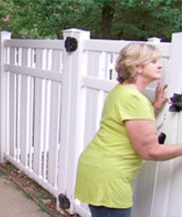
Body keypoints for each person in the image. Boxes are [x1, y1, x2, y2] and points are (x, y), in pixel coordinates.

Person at [74, 42, 182, 217]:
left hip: (97, 169)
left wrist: (153, 107)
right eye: (154, 61)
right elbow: (151, 151)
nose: (160, 65)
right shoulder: (134, 99)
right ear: (137, 67)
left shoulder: (122, 92)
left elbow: (128, 123)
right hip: (108, 177)